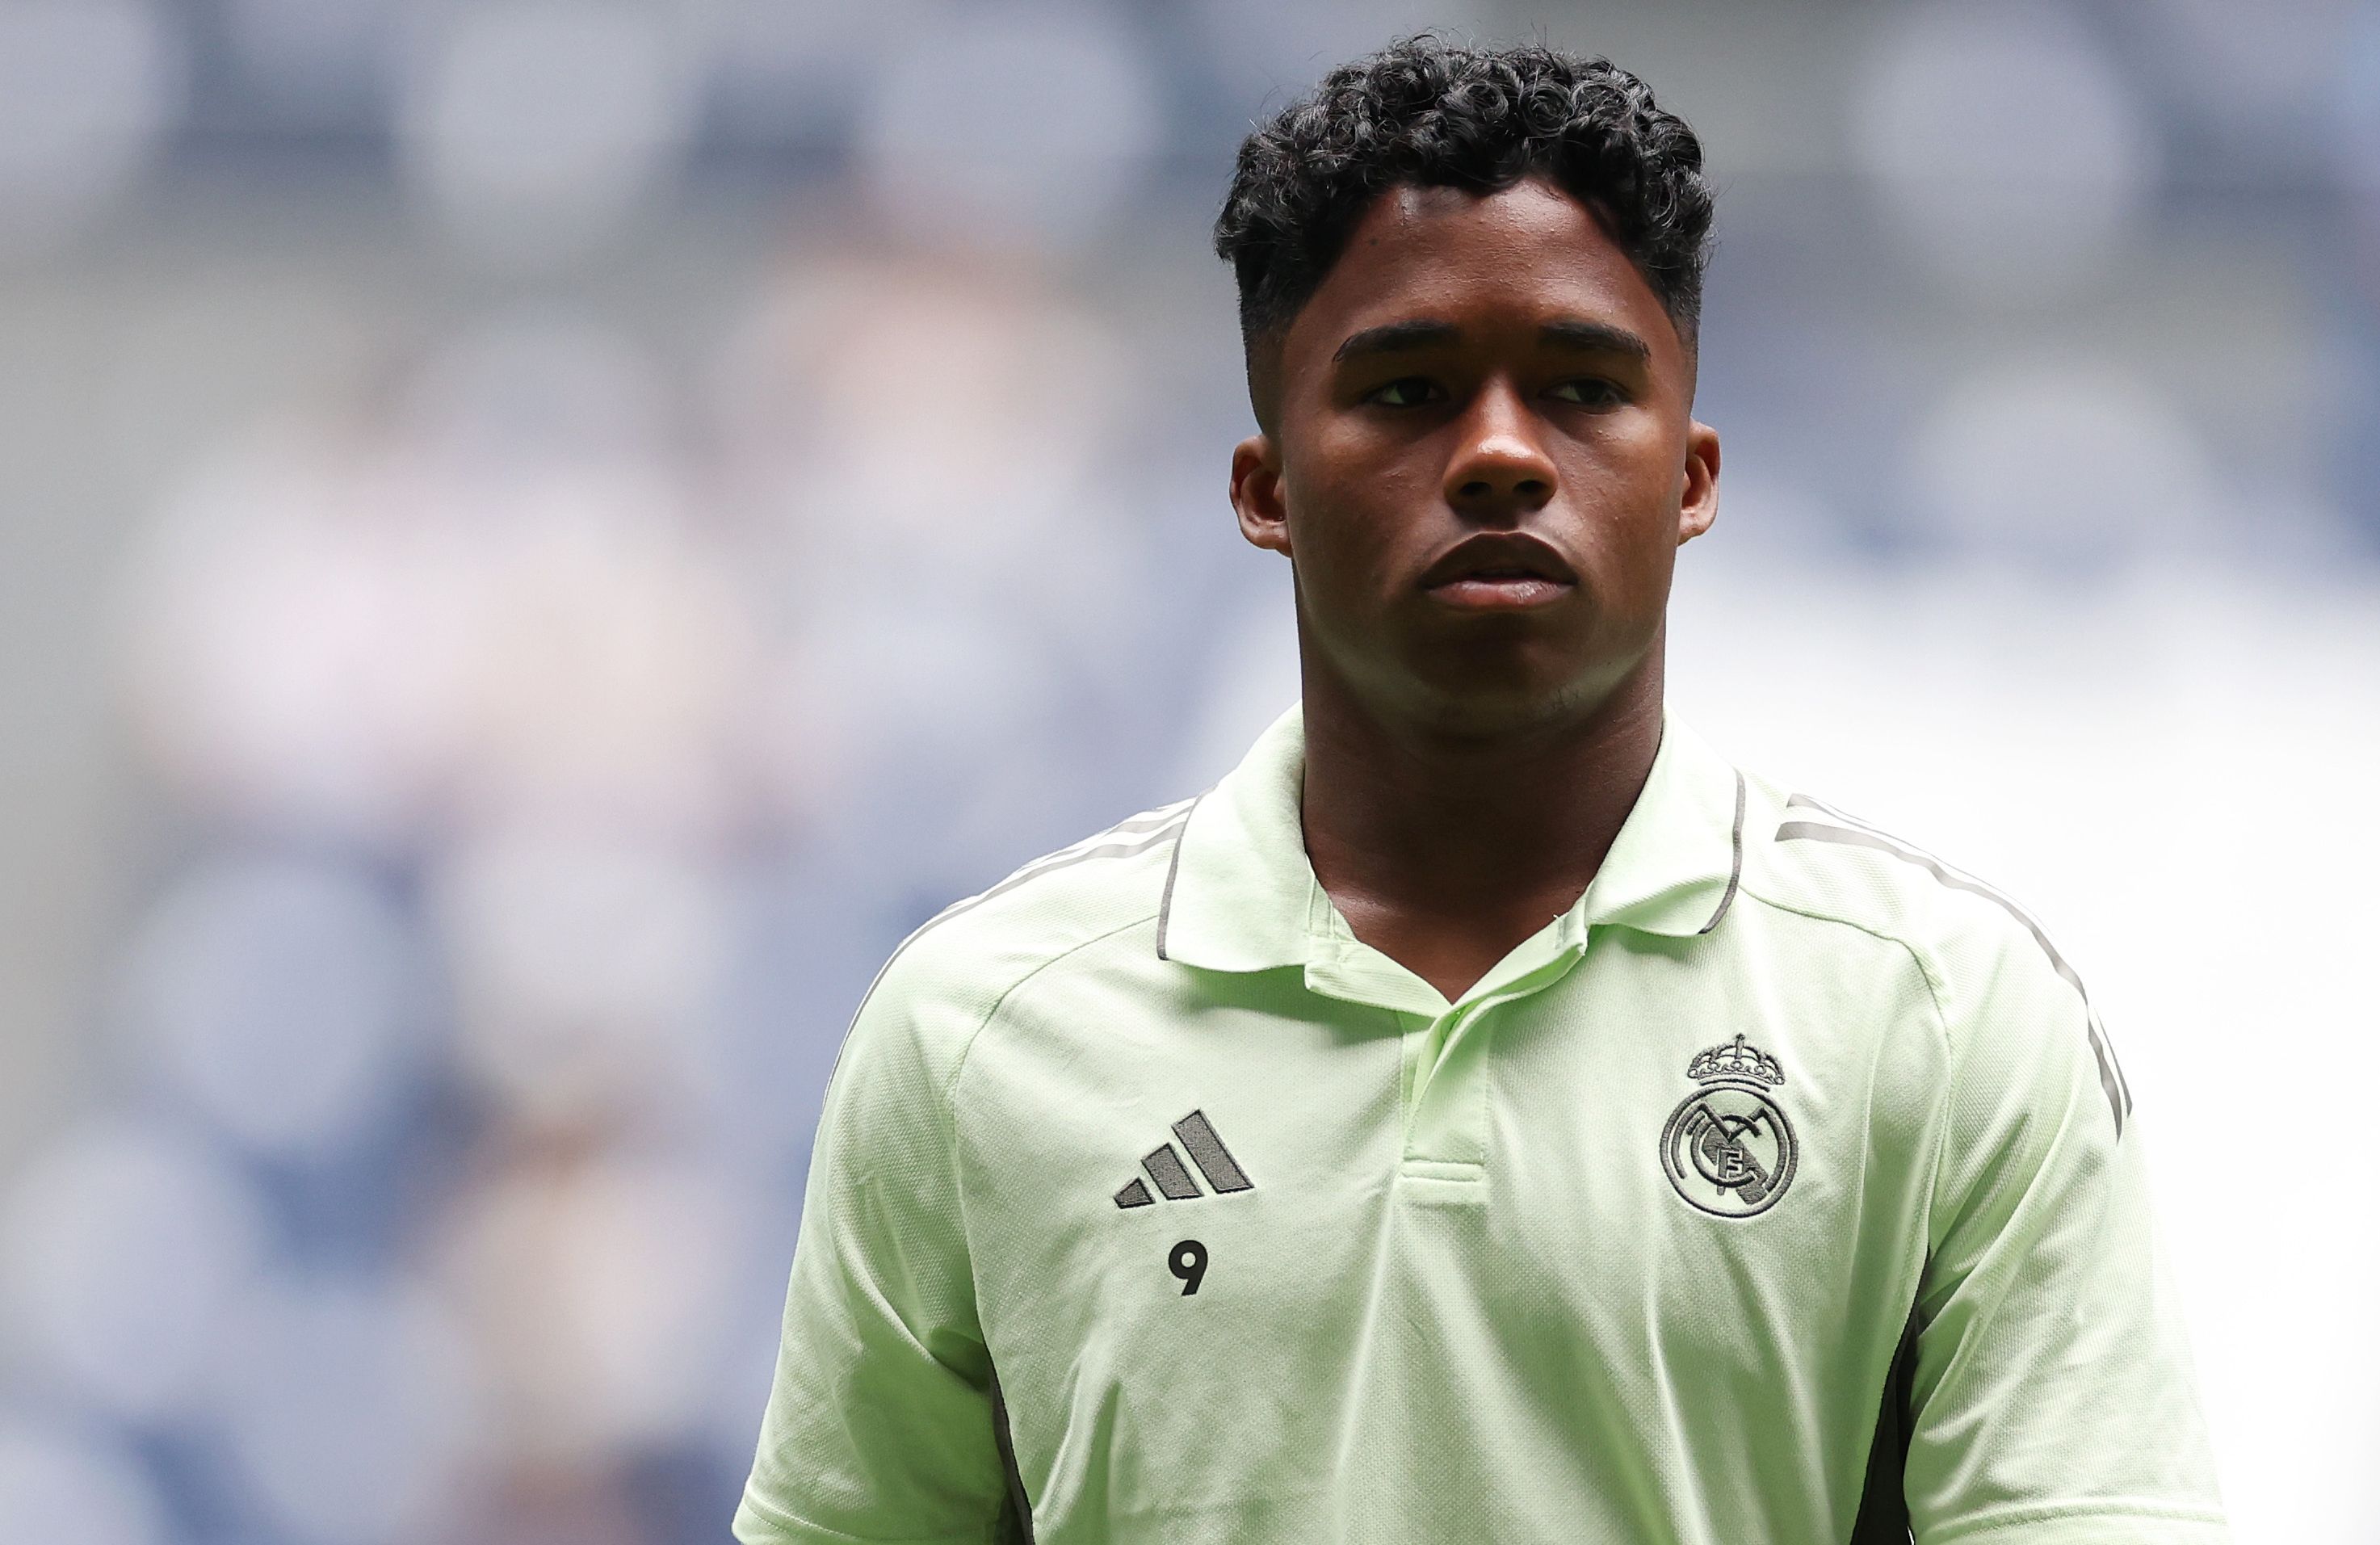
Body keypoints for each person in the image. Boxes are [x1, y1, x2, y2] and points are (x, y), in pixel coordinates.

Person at [736, 37, 2228, 1545]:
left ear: (1692, 476)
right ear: (1264, 488)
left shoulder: (1942, 1012)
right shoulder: (980, 1029)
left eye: (1582, 389)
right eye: (1407, 391)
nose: (1502, 453)